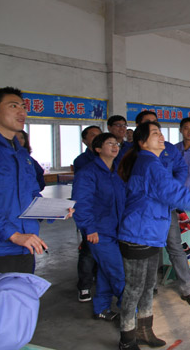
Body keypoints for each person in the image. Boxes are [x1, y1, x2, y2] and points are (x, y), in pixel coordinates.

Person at [117, 121, 190, 349]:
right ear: (142, 142)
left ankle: (144, 330)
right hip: (138, 234)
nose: (161, 137)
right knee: (134, 288)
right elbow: (176, 194)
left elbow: (171, 190)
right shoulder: (150, 164)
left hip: (150, 234)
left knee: (148, 285)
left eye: (161, 132)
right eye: (155, 133)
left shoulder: (152, 162)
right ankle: (126, 339)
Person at [0, 87, 73, 273]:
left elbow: (31, 194)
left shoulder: (22, 155)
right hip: (3, 247)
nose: (22, 112)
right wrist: (12, 235)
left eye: (23, 107)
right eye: (13, 106)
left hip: (25, 244)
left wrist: (54, 211)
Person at [135, 110, 190, 307]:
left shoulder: (169, 149)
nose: (155, 129)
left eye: (156, 125)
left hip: (167, 207)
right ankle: (150, 286)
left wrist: (172, 188)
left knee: (175, 245)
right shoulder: (133, 153)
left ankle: (187, 289)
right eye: (149, 125)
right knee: (149, 248)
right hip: (144, 210)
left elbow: (181, 169)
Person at [72, 133, 125, 321]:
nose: (115, 146)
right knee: (119, 273)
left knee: (105, 270)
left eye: (116, 143)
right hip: (99, 233)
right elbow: (81, 204)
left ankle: (102, 308)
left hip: (116, 230)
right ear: (97, 149)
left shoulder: (117, 171)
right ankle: (131, 315)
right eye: (110, 143)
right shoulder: (88, 173)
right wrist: (89, 228)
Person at [72, 125, 102, 303]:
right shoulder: (82, 162)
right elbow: (83, 196)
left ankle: (100, 279)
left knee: (103, 249)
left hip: (107, 215)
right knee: (89, 249)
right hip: (90, 213)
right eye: (92, 135)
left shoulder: (110, 159)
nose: (97, 137)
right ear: (84, 141)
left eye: (99, 134)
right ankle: (84, 285)